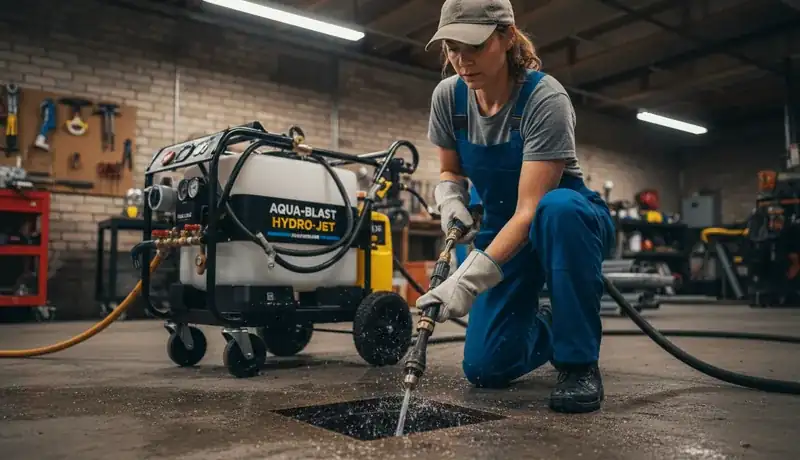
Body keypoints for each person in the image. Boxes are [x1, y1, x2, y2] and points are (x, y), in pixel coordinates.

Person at [416, 0, 616, 414]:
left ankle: (578, 364)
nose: (462, 60)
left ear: (507, 36)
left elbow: (530, 209)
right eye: (452, 48)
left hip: (567, 225)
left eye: (475, 46)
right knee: (485, 368)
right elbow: (451, 170)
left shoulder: (545, 98)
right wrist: (450, 198)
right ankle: (550, 325)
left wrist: (467, 282)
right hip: (502, 229)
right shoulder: (448, 98)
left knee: (558, 209)